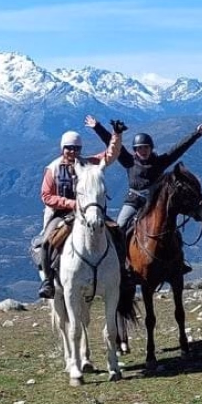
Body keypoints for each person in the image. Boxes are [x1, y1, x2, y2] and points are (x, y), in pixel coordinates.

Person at [32, 124, 123, 298]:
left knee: (117, 232)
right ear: (62, 149)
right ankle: (48, 281)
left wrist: (116, 136)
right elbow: (46, 195)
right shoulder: (53, 169)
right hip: (60, 214)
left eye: (76, 148)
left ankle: (122, 272)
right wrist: (69, 203)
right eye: (69, 148)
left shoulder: (88, 163)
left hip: (89, 211)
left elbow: (111, 155)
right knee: (46, 242)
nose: (72, 152)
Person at [84, 115, 202, 236]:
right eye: (140, 148)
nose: (143, 151)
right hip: (133, 202)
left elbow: (178, 149)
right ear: (135, 150)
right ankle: (118, 255)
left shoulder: (160, 162)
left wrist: (196, 134)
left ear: (151, 148)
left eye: (146, 148)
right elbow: (112, 143)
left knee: (171, 231)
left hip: (155, 202)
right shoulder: (128, 161)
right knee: (119, 227)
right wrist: (97, 127)